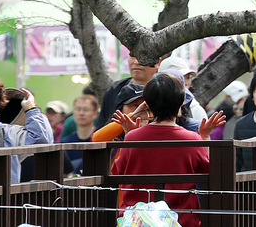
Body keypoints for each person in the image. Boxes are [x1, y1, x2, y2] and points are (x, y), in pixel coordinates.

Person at [112, 71, 223, 227]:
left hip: (138, 221)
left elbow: (117, 171)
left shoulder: (132, 138)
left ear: (148, 105)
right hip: (181, 221)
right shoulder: (192, 139)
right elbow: (211, 173)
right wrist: (205, 137)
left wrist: (129, 135)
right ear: (181, 103)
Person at [99, 53, 165, 127]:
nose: (136, 62)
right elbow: (101, 129)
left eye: (144, 56)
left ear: (158, 62)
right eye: (132, 56)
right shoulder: (114, 90)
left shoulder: (166, 93)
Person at [62, 93, 100, 175]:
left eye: (86, 109)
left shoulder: (101, 140)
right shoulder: (65, 143)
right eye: (78, 109)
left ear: (95, 114)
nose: (81, 113)